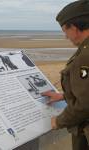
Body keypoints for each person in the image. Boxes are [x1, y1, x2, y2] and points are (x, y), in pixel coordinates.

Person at [42, 0, 89, 150]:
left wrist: (59, 121)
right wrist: (63, 96)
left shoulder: (85, 56)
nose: (65, 37)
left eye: (65, 31)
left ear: (74, 28)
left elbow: (85, 104)